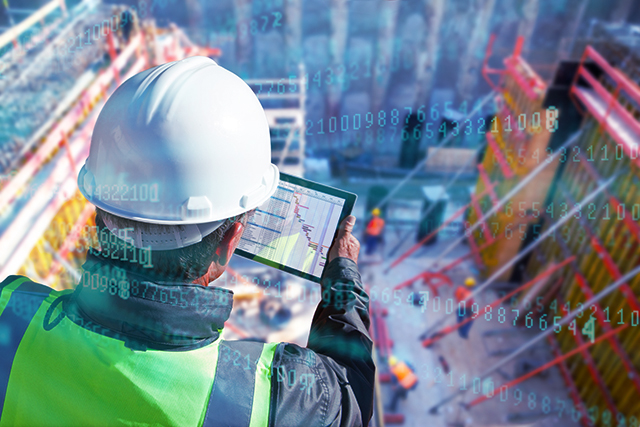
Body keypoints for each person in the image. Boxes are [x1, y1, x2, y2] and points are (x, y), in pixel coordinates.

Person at [0, 57, 375, 426]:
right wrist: (343, 282)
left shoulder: (9, 309)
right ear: (229, 240)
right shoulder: (271, 397)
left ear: (100, 211)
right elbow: (351, 393)